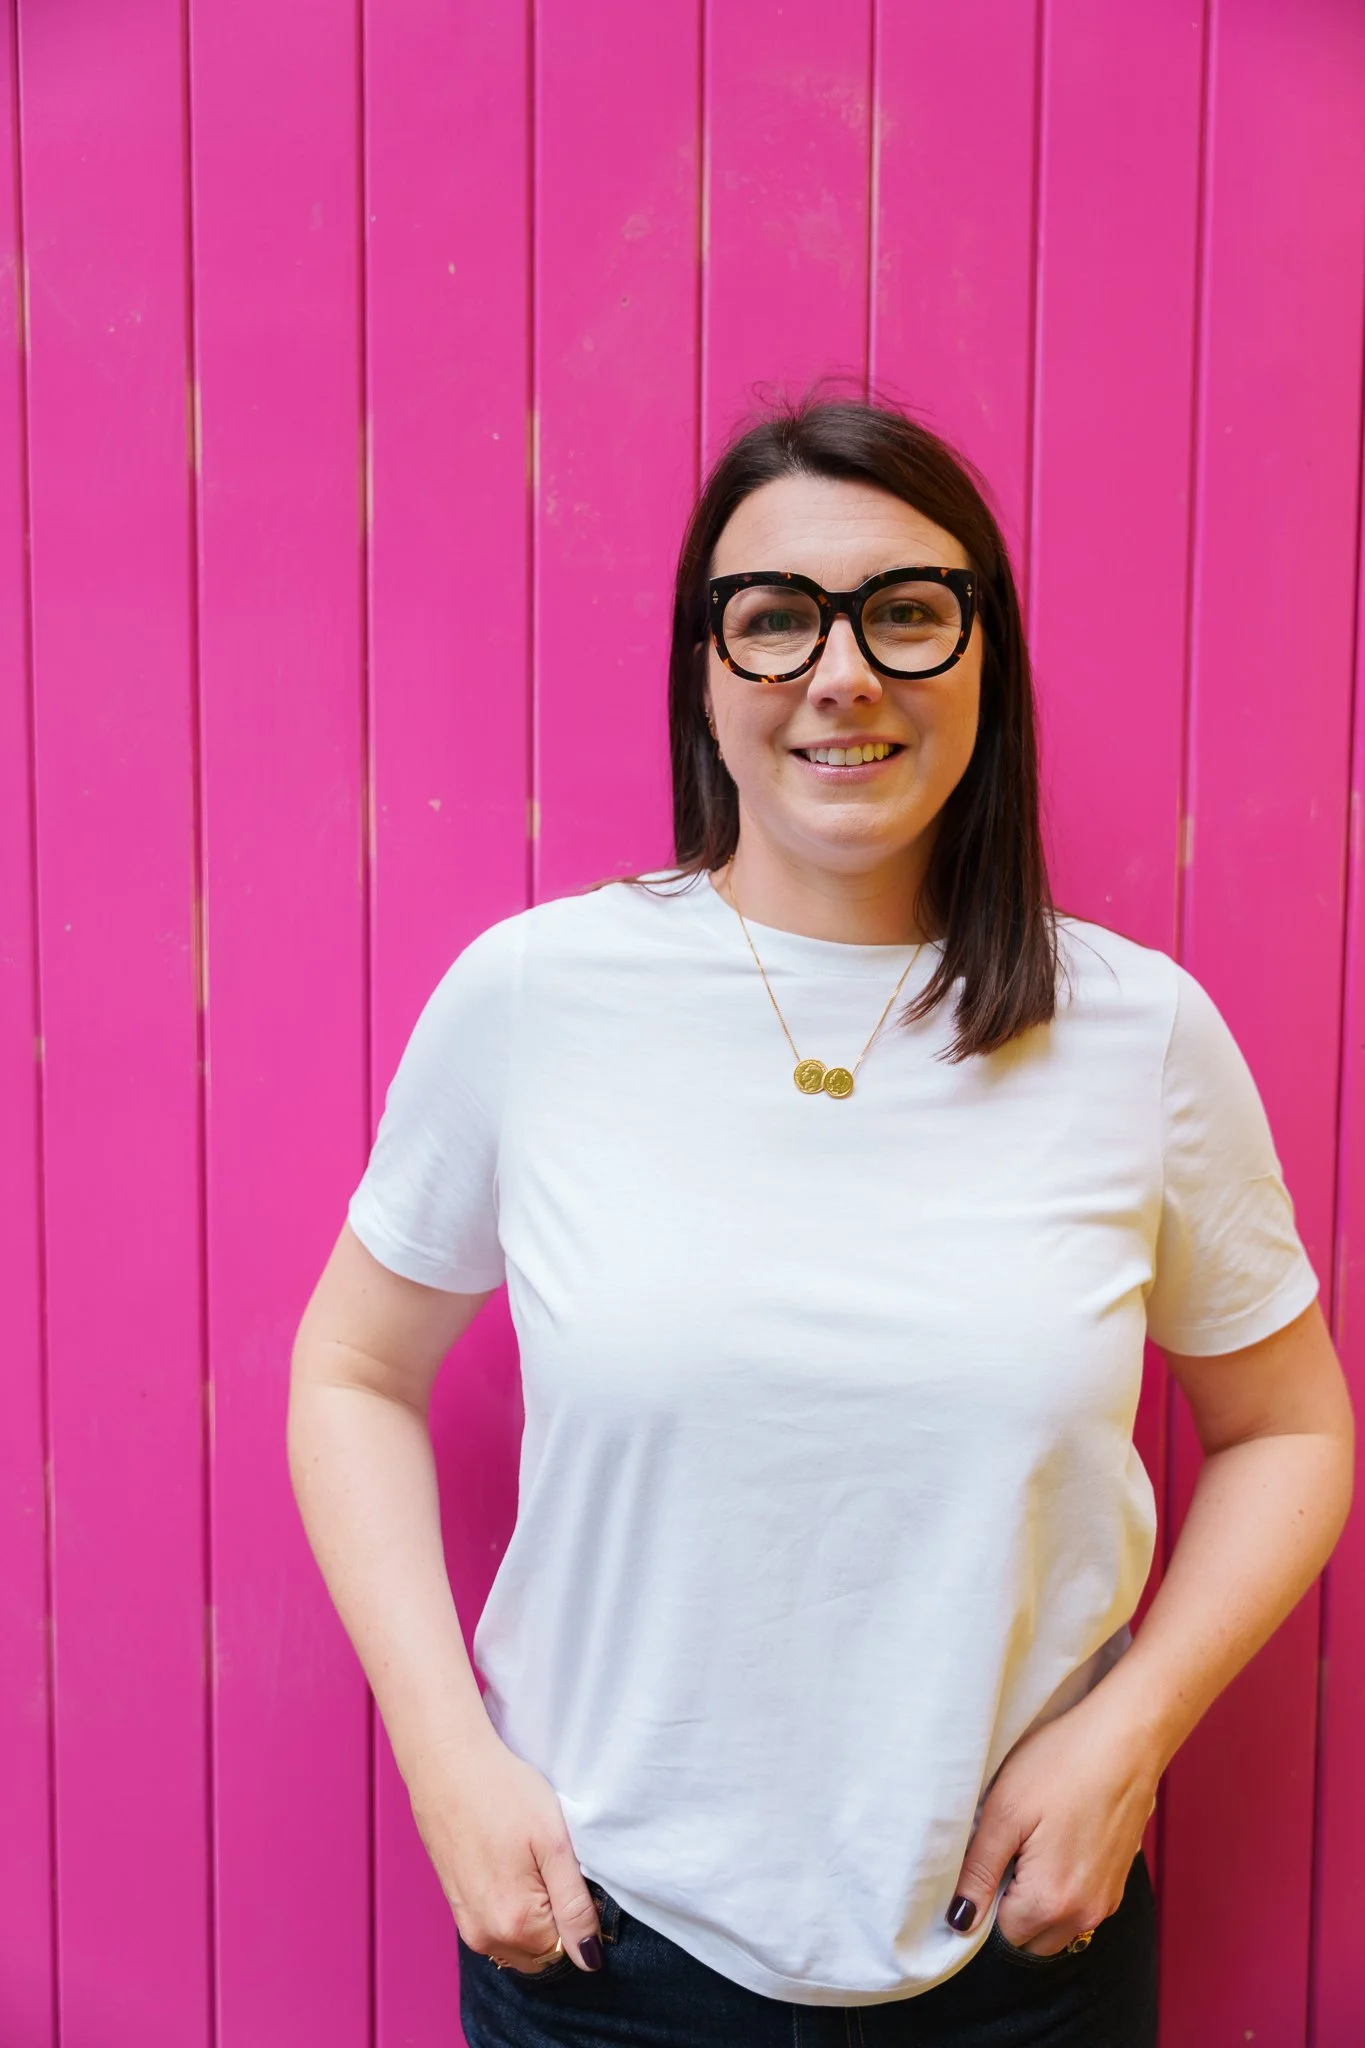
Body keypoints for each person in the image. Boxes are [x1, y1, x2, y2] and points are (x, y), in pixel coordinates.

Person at [288, 398, 1353, 2047]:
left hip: (1023, 1956)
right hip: (603, 1953)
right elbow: (352, 1369)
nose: (842, 673)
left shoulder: (1137, 1032)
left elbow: (1290, 1426)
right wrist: (445, 1757)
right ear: (704, 676)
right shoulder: (536, 999)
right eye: (775, 617)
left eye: (907, 613)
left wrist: (1132, 1734)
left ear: (983, 660)